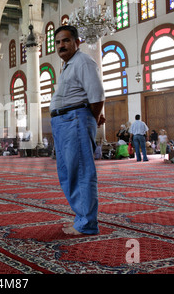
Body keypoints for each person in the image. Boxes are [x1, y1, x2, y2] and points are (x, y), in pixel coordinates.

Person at [49, 25, 105, 236]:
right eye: (57, 42)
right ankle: (82, 217)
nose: (61, 45)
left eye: (65, 41)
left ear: (77, 42)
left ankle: (87, 224)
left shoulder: (82, 61)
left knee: (81, 171)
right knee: (69, 172)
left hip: (75, 120)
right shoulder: (67, 66)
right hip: (66, 121)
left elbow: (97, 95)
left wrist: (93, 117)